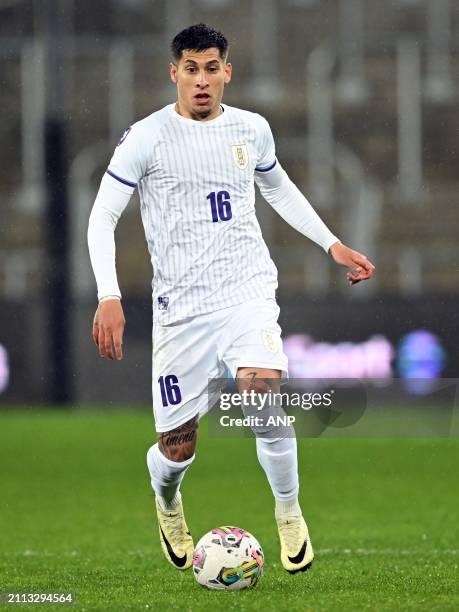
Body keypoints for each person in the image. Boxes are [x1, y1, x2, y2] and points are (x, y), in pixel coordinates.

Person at [87, 23, 375, 575]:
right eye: (190, 69)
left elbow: (277, 186)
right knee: (178, 448)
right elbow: (102, 216)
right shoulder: (147, 137)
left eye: (211, 68)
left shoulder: (252, 129)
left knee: (262, 395)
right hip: (181, 312)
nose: (201, 81)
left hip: (246, 291)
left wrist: (331, 243)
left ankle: (289, 513)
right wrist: (109, 294)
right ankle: (167, 499)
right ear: (174, 73)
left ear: (227, 72)